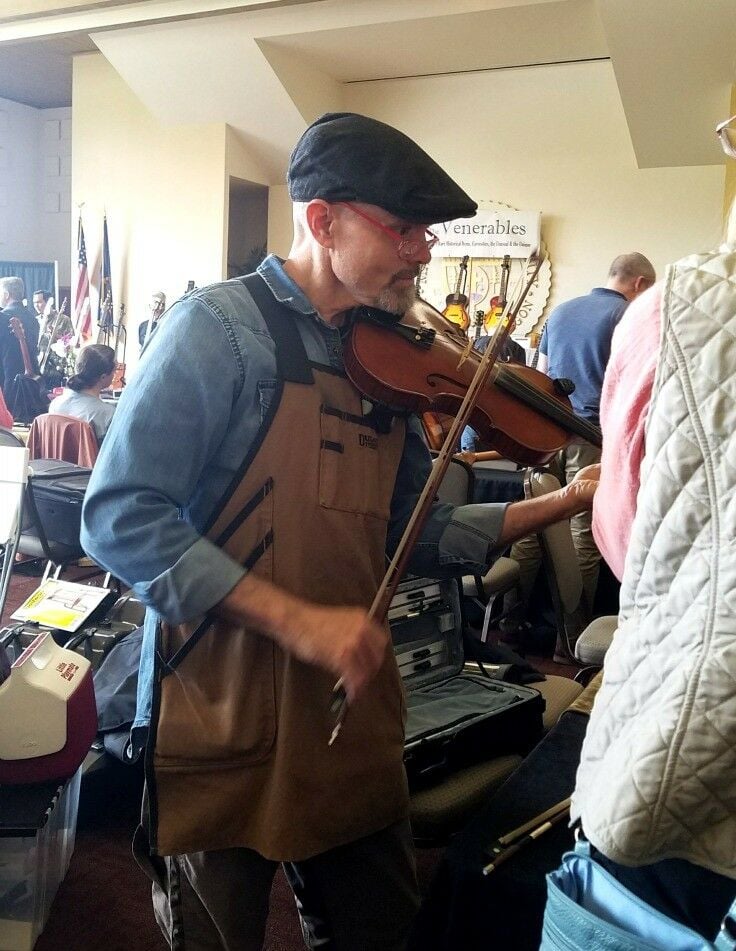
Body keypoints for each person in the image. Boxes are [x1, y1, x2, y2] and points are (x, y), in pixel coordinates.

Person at [81, 112, 598, 951]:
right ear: (323, 221)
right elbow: (117, 516)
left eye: (425, 233)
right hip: (222, 707)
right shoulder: (215, 331)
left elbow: (414, 535)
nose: (424, 251)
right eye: (403, 228)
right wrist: (301, 620)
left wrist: (565, 500)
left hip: (350, 714)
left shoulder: (387, 358)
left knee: (383, 929)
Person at [546, 189, 736, 942]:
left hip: (686, 759)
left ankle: (567, 642)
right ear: (634, 276)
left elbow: (632, 548)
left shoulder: (665, 309)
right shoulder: (643, 305)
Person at [512, 253, 656, 624]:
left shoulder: (560, 311)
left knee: (530, 527)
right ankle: (572, 636)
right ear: (639, 284)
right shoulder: (629, 315)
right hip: (591, 438)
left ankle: (510, 624)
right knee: (583, 536)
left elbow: (540, 376)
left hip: (546, 433)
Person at [48, 344, 116, 442]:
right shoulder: (108, 414)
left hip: (52, 458)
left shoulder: (55, 404)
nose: (114, 375)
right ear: (103, 377)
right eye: (114, 371)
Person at [0, 276, 40, 417]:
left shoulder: (2, 317)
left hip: (7, 382)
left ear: (6, 294)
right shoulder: (33, 318)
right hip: (30, 382)